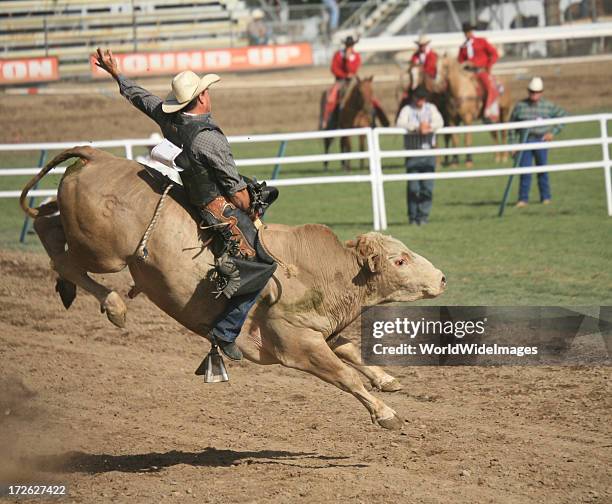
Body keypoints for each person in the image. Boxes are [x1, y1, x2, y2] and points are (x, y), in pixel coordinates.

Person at [94, 48, 278, 361]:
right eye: (207, 90)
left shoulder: (170, 118)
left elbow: (141, 98)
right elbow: (236, 194)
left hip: (192, 191)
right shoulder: (209, 138)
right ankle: (227, 328)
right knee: (261, 262)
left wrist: (116, 74)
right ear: (202, 97)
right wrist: (249, 207)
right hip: (215, 205)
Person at [509, 77, 566, 207]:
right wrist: (513, 146)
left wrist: (553, 132)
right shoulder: (520, 106)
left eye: (537, 92)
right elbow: (511, 127)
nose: (534, 94)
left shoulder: (548, 106)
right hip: (525, 140)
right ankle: (523, 199)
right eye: (532, 92)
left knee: (543, 169)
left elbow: (563, 115)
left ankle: (545, 197)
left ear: (541, 92)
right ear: (528, 91)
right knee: (524, 170)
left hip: (541, 140)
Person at [396, 86, 444, 225]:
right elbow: (400, 123)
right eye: (418, 98)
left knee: (427, 187)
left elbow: (439, 122)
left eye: (423, 98)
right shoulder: (407, 110)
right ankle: (412, 216)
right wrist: (416, 128)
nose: (420, 101)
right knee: (413, 187)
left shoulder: (431, 108)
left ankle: (423, 216)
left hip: (429, 152)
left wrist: (428, 127)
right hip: (413, 153)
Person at [458, 22, 499, 121]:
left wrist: (488, 67)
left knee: (488, 86)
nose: (467, 33)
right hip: (468, 73)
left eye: (469, 31)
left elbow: (494, 54)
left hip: (481, 71)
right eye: (465, 32)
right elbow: (459, 61)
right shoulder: (463, 47)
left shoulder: (481, 42)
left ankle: (489, 107)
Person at [322, 36, 361, 129]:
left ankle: (377, 117)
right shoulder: (338, 55)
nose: (349, 47)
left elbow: (354, 69)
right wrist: (344, 75)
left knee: (367, 94)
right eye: (348, 45)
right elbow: (333, 68)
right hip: (341, 80)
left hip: (353, 80)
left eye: (351, 45)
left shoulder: (356, 56)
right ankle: (326, 120)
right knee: (331, 97)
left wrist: (347, 61)